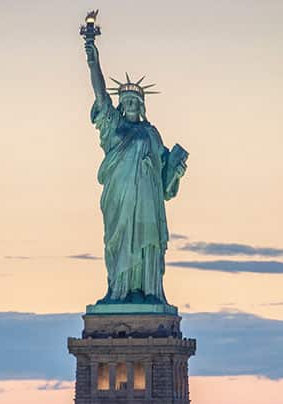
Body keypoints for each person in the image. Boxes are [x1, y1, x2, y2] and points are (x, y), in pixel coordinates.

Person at [85, 38, 187, 305]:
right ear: (121, 104)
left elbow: (165, 182)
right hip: (120, 198)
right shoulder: (114, 127)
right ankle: (119, 291)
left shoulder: (151, 134)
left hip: (147, 202)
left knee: (147, 242)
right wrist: (92, 58)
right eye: (126, 100)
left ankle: (148, 291)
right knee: (118, 242)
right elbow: (100, 95)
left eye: (134, 100)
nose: (130, 103)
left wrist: (176, 170)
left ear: (142, 105)